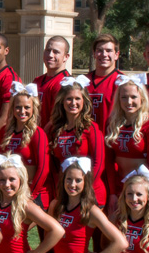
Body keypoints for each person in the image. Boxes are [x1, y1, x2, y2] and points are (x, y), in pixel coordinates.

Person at [27, 157, 125, 253]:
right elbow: (49, 237)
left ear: (86, 182)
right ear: (63, 180)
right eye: (69, 179)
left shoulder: (91, 210)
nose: (72, 184)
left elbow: (120, 242)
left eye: (78, 180)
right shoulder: (55, 206)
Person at [104, 74, 149, 210]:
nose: (128, 102)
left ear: (142, 98)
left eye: (133, 97)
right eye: (124, 97)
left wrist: (143, 189)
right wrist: (112, 192)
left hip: (143, 188)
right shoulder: (112, 123)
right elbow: (109, 162)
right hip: (120, 186)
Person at [45, 77, 106, 206]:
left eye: (77, 98)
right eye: (69, 99)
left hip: (90, 192)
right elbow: (53, 163)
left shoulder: (91, 127)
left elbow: (99, 163)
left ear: (84, 101)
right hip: (65, 192)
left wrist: (84, 189)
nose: (73, 103)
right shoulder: (54, 128)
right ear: (62, 101)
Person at [0, 83, 50, 207]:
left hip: (32, 192)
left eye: (27, 107)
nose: (22, 111)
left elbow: (43, 169)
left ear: (33, 109)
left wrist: (30, 195)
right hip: (9, 190)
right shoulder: (4, 131)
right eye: (18, 107)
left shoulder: (38, 134)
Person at [33, 36, 72, 129]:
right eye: (48, 50)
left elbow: (59, 117)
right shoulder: (37, 80)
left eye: (56, 52)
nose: (50, 55)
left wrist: (42, 135)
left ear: (66, 57)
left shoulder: (66, 83)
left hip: (51, 138)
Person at [85, 34, 123, 129]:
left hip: (111, 138)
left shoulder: (123, 82)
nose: (104, 54)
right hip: (85, 138)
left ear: (116, 55)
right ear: (94, 54)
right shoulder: (83, 81)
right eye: (99, 50)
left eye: (109, 51)